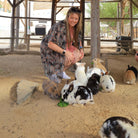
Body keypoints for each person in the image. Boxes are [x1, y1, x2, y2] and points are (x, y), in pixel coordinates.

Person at [40, 7, 84, 99]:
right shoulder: (59, 26)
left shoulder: (76, 28)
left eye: (76, 19)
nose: (73, 20)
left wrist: (80, 49)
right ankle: (54, 73)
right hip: (50, 50)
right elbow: (50, 44)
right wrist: (65, 52)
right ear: (68, 16)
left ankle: (61, 71)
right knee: (55, 80)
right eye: (72, 18)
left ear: (79, 20)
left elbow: (78, 40)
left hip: (63, 47)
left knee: (77, 55)